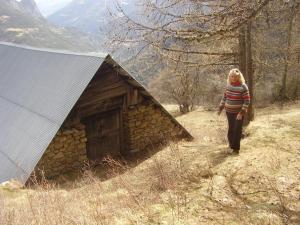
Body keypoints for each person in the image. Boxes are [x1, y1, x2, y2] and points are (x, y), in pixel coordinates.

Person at [218, 68, 250, 154]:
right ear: (229, 77)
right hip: (229, 111)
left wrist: (241, 113)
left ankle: (236, 149)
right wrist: (221, 107)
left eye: (235, 76)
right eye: (232, 76)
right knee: (231, 129)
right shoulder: (228, 86)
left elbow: (247, 101)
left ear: (239, 77)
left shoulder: (243, 87)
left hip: (238, 113)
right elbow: (224, 97)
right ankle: (231, 145)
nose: (233, 78)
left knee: (237, 129)